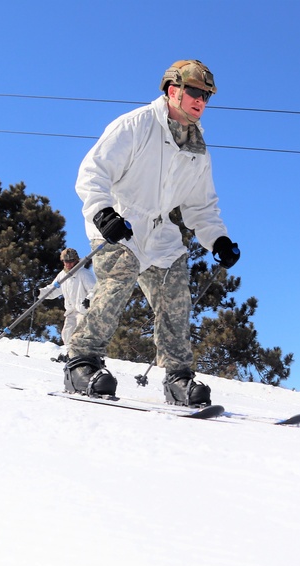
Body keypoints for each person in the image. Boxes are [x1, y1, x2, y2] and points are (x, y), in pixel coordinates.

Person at [64, 59, 240, 406]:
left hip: (160, 232)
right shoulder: (136, 125)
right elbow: (92, 172)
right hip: (120, 220)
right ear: (173, 90)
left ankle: (178, 378)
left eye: (206, 96)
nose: (200, 101)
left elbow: (200, 206)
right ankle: (81, 363)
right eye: (194, 92)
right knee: (120, 276)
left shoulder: (197, 149)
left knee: (176, 295)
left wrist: (217, 238)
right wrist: (103, 213)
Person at [39, 248, 96, 359]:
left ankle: (83, 356)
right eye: (66, 261)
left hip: (82, 311)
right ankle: (71, 356)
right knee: (67, 333)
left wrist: (89, 299)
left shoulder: (83, 273)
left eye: (71, 261)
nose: (68, 264)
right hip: (71, 311)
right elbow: (53, 289)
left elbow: (94, 289)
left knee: (80, 333)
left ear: (76, 260)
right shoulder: (62, 275)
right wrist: (40, 293)